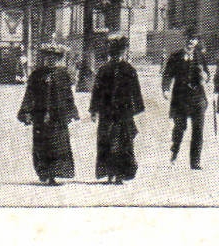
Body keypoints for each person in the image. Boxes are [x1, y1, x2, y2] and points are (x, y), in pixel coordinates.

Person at [17, 43, 78, 185]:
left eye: (54, 58)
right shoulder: (36, 75)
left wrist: (71, 111)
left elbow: (68, 95)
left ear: (58, 59)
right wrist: (26, 112)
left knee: (58, 144)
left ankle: (55, 173)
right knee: (42, 144)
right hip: (40, 116)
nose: (51, 60)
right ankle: (45, 173)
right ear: (44, 58)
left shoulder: (63, 75)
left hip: (58, 117)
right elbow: (29, 95)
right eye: (48, 58)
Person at [89, 35, 144, 184]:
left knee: (124, 142)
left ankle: (120, 174)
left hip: (124, 112)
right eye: (115, 53)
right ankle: (109, 173)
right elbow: (97, 91)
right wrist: (94, 110)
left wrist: (137, 110)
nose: (118, 56)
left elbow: (136, 91)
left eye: (120, 52)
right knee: (107, 141)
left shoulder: (129, 70)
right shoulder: (104, 70)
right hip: (107, 112)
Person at [161, 34, 209, 170]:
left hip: (198, 97)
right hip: (181, 98)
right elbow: (167, 74)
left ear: (197, 42)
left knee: (198, 130)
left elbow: (207, 74)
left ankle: (195, 162)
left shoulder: (200, 56)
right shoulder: (175, 56)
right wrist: (165, 89)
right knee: (180, 128)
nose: (191, 42)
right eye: (189, 39)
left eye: (194, 39)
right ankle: (174, 151)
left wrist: (205, 77)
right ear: (184, 40)